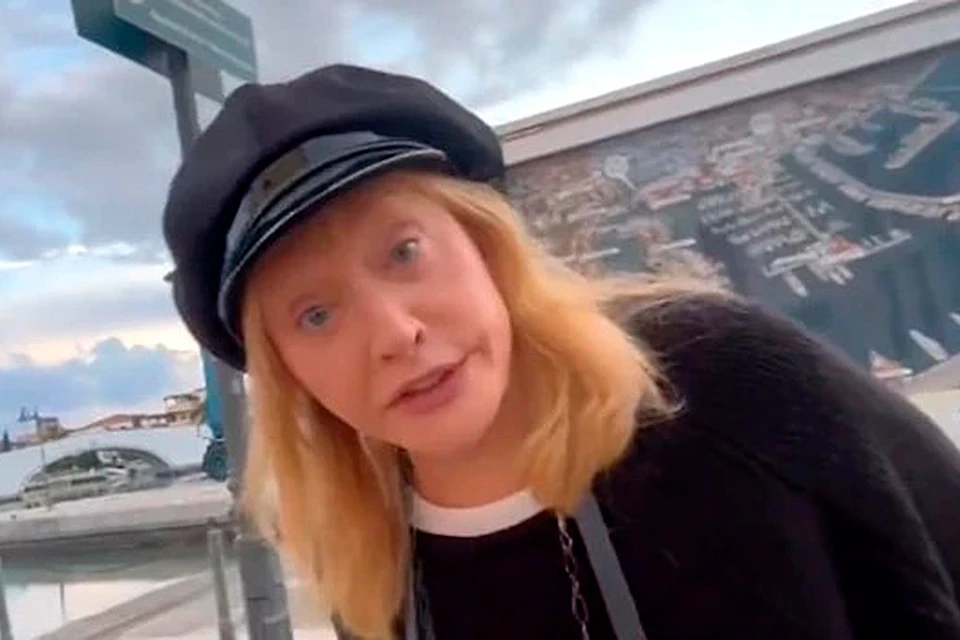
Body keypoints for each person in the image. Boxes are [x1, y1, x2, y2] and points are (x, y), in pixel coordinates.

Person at [162, 64, 960, 640]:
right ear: (287, 373)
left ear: (486, 246)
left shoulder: (725, 381)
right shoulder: (369, 568)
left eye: (405, 251)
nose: (394, 334)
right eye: (315, 315)